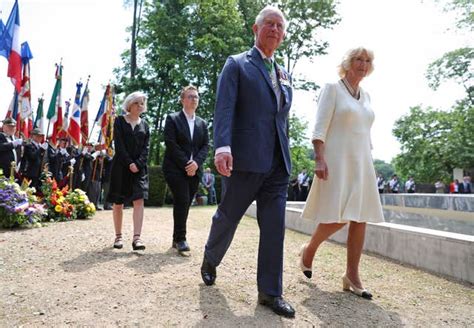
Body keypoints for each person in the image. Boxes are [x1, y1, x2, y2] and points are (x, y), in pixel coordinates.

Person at [200, 6, 295, 318]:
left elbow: (281, 118)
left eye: (280, 26)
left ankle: (270, 292)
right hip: (244, 159)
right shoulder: (237, 64)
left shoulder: (283, 73)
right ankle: (211, 257)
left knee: (274, 228)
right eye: (269, 24)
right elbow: (224, 108)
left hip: (277, 164)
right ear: (256, 29)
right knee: (228, 216)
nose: (274, 30)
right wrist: (222, 147)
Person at [300, 47, 384, 300]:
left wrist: (371, 162)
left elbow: (365, 132)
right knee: (341, 215)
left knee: (361, 216)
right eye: (359, 59)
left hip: (362, 162)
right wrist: (319, 158)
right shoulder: (332, 89)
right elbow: (319, 126)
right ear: (348, 63)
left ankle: (352, 275)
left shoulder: (367, 95)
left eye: (367, 60)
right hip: (336, 160)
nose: (363, 64)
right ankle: (309, 249)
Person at [162, 85, 209, 255]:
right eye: (190, 96)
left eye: (196, 96)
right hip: (175, 168)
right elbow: (171, 143)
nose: (193, 99)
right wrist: (186, 164)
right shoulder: (172, 119)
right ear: (183, 100)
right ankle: (181, 239)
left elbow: (206, 146)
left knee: (186, 202)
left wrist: (195, 163)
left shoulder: (202, 123)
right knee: (182, 199)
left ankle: (176, 238)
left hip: (195, 170)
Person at [107, 91, 150, 251]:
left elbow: (146, 148)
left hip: (139, 169)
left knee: (139, 200)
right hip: (121, 167)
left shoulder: (145, 125)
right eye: (137, 103)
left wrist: (138, 164)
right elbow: (119, 145)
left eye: (142, 103)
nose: (140, 106)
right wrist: (129, 162)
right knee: (118, 202)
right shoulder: (119, 121)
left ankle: (137, 238)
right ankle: (118, 237)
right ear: (129, 104)